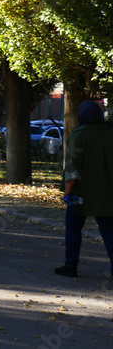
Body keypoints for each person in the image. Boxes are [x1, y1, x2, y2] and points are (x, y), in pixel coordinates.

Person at [55, 100, 113, 278]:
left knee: (73, 227)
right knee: (109, 230)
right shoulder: (109, 133)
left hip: (81, 192)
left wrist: (67, 190)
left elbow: (73, 166)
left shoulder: (79, 135)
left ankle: (71, 266)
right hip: (107, 192)